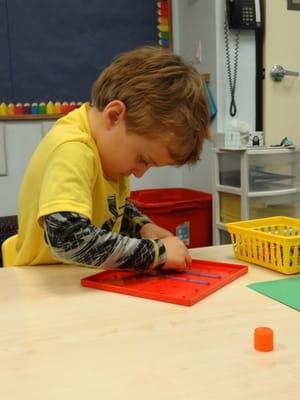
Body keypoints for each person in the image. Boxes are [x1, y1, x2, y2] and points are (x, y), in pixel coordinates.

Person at [16, 46, 210, 272]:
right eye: (143, 159)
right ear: (114, 116)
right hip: (40, 288)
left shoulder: (109, 156)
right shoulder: (73, 149)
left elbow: (114, 208)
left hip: (77, 280)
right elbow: (67, 237)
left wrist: (142, 226)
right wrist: (156, 253)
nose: (139, 172)